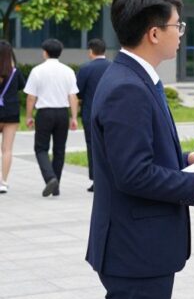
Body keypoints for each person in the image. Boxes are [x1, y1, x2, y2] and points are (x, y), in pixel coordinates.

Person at [85, 0, 194, 299]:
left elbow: (133, 156)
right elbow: (132, 173)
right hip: (135, 251)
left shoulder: (134, 78)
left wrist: (184, 160)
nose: (180, 33)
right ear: (155, 32)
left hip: (138, 247)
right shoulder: (127, 87)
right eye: (178, 25)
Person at [24, 38, 79, 197]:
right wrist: (74, 117)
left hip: (45, 113)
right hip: (62, 113)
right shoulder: (68, 71)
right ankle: (56, 186)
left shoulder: (37, 71)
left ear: (45, 53)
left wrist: (28, 116)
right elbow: (73, 96)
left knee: (41, 148)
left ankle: (50, 178)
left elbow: (30, 97)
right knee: (59, 150)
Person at [76, 38, 111, 192]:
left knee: (93, 147)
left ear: (91, 51)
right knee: (111, 147)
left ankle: (97, 180)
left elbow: (79, 92)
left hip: (90, 113)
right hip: (111, 113)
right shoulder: (113, 67)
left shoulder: (85, 69)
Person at [0, 41, 25, 193]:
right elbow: (23, 87)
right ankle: (2, 182)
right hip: (11, 113)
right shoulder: (15, 73)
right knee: (7, 149)